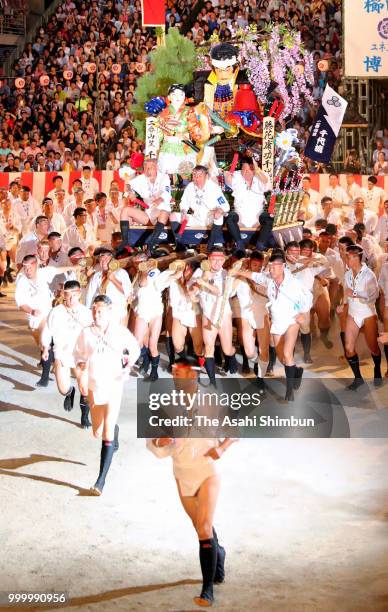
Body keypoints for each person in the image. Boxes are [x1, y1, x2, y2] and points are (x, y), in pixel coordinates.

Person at [147, 356, 238, 607]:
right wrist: (159, 442)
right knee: (201, 525)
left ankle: (207, 589)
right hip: (182, 474)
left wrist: (222, 448)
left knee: (203, 528)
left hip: (207, 471)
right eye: (175, 374)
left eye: (182, 374)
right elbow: (153, 445)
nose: (177, 378)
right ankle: (218, 552)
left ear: (194, 376)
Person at [73, 294, 140, 495]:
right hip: (95, 385)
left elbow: (134, 350)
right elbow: (78, 355)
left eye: (101, 309)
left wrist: (125, 367)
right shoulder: (86, 333)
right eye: (94, 309)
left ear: (110, 312)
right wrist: (81, 365)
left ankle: (100, 482)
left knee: (107, 431)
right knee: (98, 432)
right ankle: (113, 431)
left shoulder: (120, 332)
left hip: (114, 383)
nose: (96, 313)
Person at [41, 280, 93, 426]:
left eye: (73, 296)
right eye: (67, 295)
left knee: (85, 388)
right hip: (62, 354)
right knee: (63, 388)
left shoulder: (87, 313)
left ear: (79, 294)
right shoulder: (56, 311)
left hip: (81, 354)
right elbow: (47, 331)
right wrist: (45, 348)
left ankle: (84, 417)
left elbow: (94, 334)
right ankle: (70, 393)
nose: (70, 299)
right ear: (63, 294)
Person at [266, 250, 313, 401]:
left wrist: (303, 313)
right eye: (270, 266)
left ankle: (289, 391)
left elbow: (308, 296)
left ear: (282, 266)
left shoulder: (294, 282)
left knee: (287, 353)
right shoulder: (269, 279)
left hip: (292, 320)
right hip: (277, 322)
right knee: (282, 358)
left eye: (274, 266)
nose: (271, 269)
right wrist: (239, 271)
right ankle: (297, 371)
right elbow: (254, 276)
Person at [190, 248, 238, 385]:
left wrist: (204, 282)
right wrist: (193, 292)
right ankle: (212, 381)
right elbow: (193, 295)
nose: (217, 263)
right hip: (208, 315)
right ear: (208, 260)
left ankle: (231, 357)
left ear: (224, 260)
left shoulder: (226, 274)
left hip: (223, 315)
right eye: (214, 260)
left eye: (220, 260)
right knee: (209, 347)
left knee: (227, 349)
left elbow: (219, 292)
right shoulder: (200, 272)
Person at [338, 245, 382, 390]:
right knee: (349, 349)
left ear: (357, 258)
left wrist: (356, 294)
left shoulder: (369, 275)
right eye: (346, 257)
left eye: (349, 257)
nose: (347, 259)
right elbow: (346, 292)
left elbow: (374, 295)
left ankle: (377, 369)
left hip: (368, 314)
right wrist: (342, 304)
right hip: (353, 314)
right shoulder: (347, 274)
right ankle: (358, 378)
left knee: (373, 348)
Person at [170, 166, 229, 251]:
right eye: (194, 176)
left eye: (199, 176)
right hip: (196, 218)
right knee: (173, 216)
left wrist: (219, 210)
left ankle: (211, 244)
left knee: (219, 216)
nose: (196, 179)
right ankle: (179, 243)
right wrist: (184, 213)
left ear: (206, 176)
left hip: (210, 219)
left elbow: (225, 205)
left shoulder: (214, 188)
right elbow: (184, 203)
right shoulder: (190, 187)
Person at [120, 157, 171, 254]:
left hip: (161, 214)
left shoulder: (164, 177)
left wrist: (159, 200)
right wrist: (130, 192)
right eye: (145, 168)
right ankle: (125, 242)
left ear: (156, 168)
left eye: (150, 168)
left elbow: (167, 191)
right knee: (125, 210)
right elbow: (128, 186)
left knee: (164, 212)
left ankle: (151, 244)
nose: (147, 171)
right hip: (148, 215)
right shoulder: (141, 178)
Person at [224, 157, 270, 252]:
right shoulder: (236, 175)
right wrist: (226, 175)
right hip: (240, 218)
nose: (246, 172)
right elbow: (228, 179)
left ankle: (260, 245)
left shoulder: (260, 175)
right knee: (230, 217)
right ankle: (239, 243)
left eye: (250, 169)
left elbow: (266, 182)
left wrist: (257, 170)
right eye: (244, 169)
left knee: (269, 218)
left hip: (257, 218)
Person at [86, 247, 132, 324]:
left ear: (112, 261)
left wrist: (113, 279)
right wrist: (89, 312)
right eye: (102, 259)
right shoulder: (96, 275)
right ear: (99, 261)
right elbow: (89, 295)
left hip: (117, 314)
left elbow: (128, 292)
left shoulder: (121, 272)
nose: (104, 262)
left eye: (107, 259)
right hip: (100, 315)